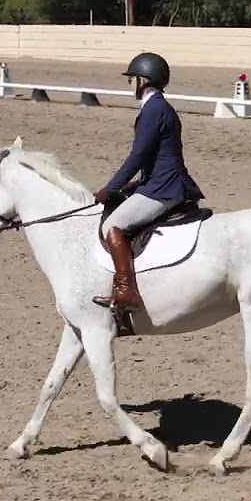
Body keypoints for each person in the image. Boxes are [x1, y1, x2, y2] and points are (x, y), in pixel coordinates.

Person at [91, 52, 205, 313]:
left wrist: (112, 188)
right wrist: (132, 187)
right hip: (161, 181)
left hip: (164, 188)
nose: (130, 84)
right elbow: (155, 158)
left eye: (132, 79)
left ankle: (125, 290)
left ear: (143, 80)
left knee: (113, 224)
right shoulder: (159, 107)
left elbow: (138, 155)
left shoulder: (154, 109)